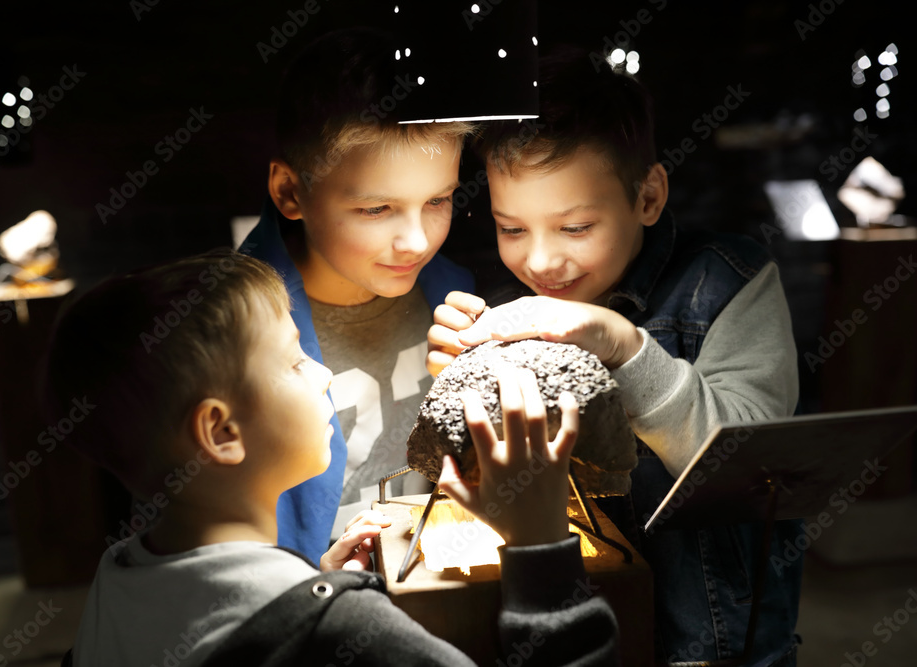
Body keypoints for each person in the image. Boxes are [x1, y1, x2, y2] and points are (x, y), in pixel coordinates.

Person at [42, 250, 618, 667]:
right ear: (220, 432)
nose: (321, 375)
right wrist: (541, 551)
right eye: (295, 362)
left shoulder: (117, 581)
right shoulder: (340, 629)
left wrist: (312, 585)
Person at [427, 48, 802, 666]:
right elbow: (495, 496)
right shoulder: (510, 309)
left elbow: (753, 470)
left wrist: (623, 347)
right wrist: (463, 394)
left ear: (649, 196)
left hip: (714, 646)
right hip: (573, 640)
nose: (541, 263)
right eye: (512, 229)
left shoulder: (727, 282)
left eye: (575, 228)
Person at [237, 28, 475, 563]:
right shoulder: (223, 342)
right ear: (289, 192)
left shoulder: (460, 298)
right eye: (375, 209)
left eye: (438, 200)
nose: (416, 241)